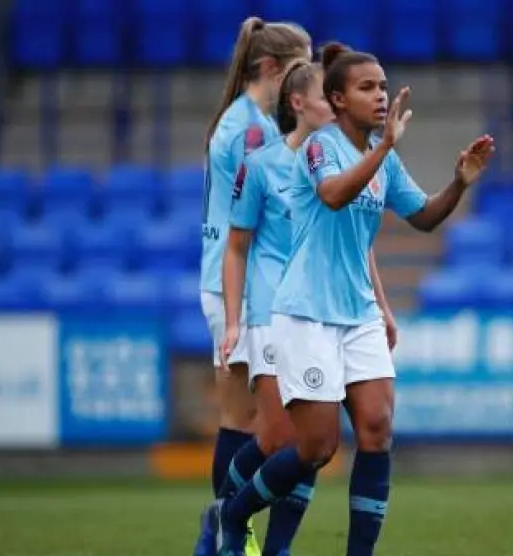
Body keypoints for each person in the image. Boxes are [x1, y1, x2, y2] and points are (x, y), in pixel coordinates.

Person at [211, 42, 495, 556]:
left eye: (383, 86)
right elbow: (333, 195)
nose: (381, 95)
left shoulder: (384, 159)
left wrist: (458, 183)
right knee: (315, 447)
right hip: (305, 312)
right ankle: (232, 514)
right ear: (338, 100)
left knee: (377, 428)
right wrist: (383, 149)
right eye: (367, 87)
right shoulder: (320, 146)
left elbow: (424, 217)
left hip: (359, 313)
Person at [202, 57, 395, 555]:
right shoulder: (261, 164)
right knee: (282, 439)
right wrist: (233, 320)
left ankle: (269, 543)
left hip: (334, 309)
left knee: (309, 442)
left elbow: (358, 243)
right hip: (276, 311)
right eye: (327, 96)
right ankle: (225, 516)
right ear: (301, 103)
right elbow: (236, 246)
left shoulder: (343, 161)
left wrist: (381, 305)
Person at [196, 16, 311, 556]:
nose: (307, 80)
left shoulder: (245, 120)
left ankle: (226, 529)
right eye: (298, 68)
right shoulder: (252, 130)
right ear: (270, 68)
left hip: (234, 283)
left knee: (255, 422)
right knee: (263, 423)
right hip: (238, 288)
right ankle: (229, 528)